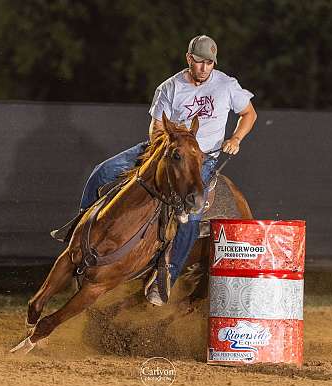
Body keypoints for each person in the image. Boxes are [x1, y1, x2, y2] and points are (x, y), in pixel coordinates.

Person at [52, 35, 257, 306]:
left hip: (200, 158)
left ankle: (166, 278)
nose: (204, 68)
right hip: (165, 150)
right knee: (101, 173)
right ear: (189, 59)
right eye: (199, 62)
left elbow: (249, 114)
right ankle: (79, 232)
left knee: (192, 213)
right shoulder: (170, 88)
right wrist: (163, 149)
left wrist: (235, 139)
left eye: (209, 63)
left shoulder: (227, 86)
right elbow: (155, 127)